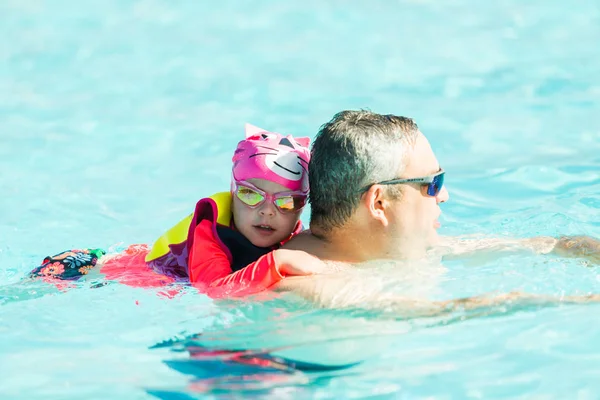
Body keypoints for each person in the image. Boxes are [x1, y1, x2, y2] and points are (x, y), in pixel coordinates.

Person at [271, 110, 600, 316]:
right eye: (433, 182)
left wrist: (579, 247)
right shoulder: (303, 286)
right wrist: (581, 301)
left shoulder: (388, 246)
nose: (444, 195)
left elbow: (545, 245)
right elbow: (440, 311)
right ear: (379, 203)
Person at [30, 124, 324, 297]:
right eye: (250, 195)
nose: (267, 211)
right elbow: (216, 290)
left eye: (286, 201)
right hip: (82, 269)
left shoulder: (291, 232)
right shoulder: (209, 233)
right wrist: (277, 263)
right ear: (232, 192)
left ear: (302, 206)